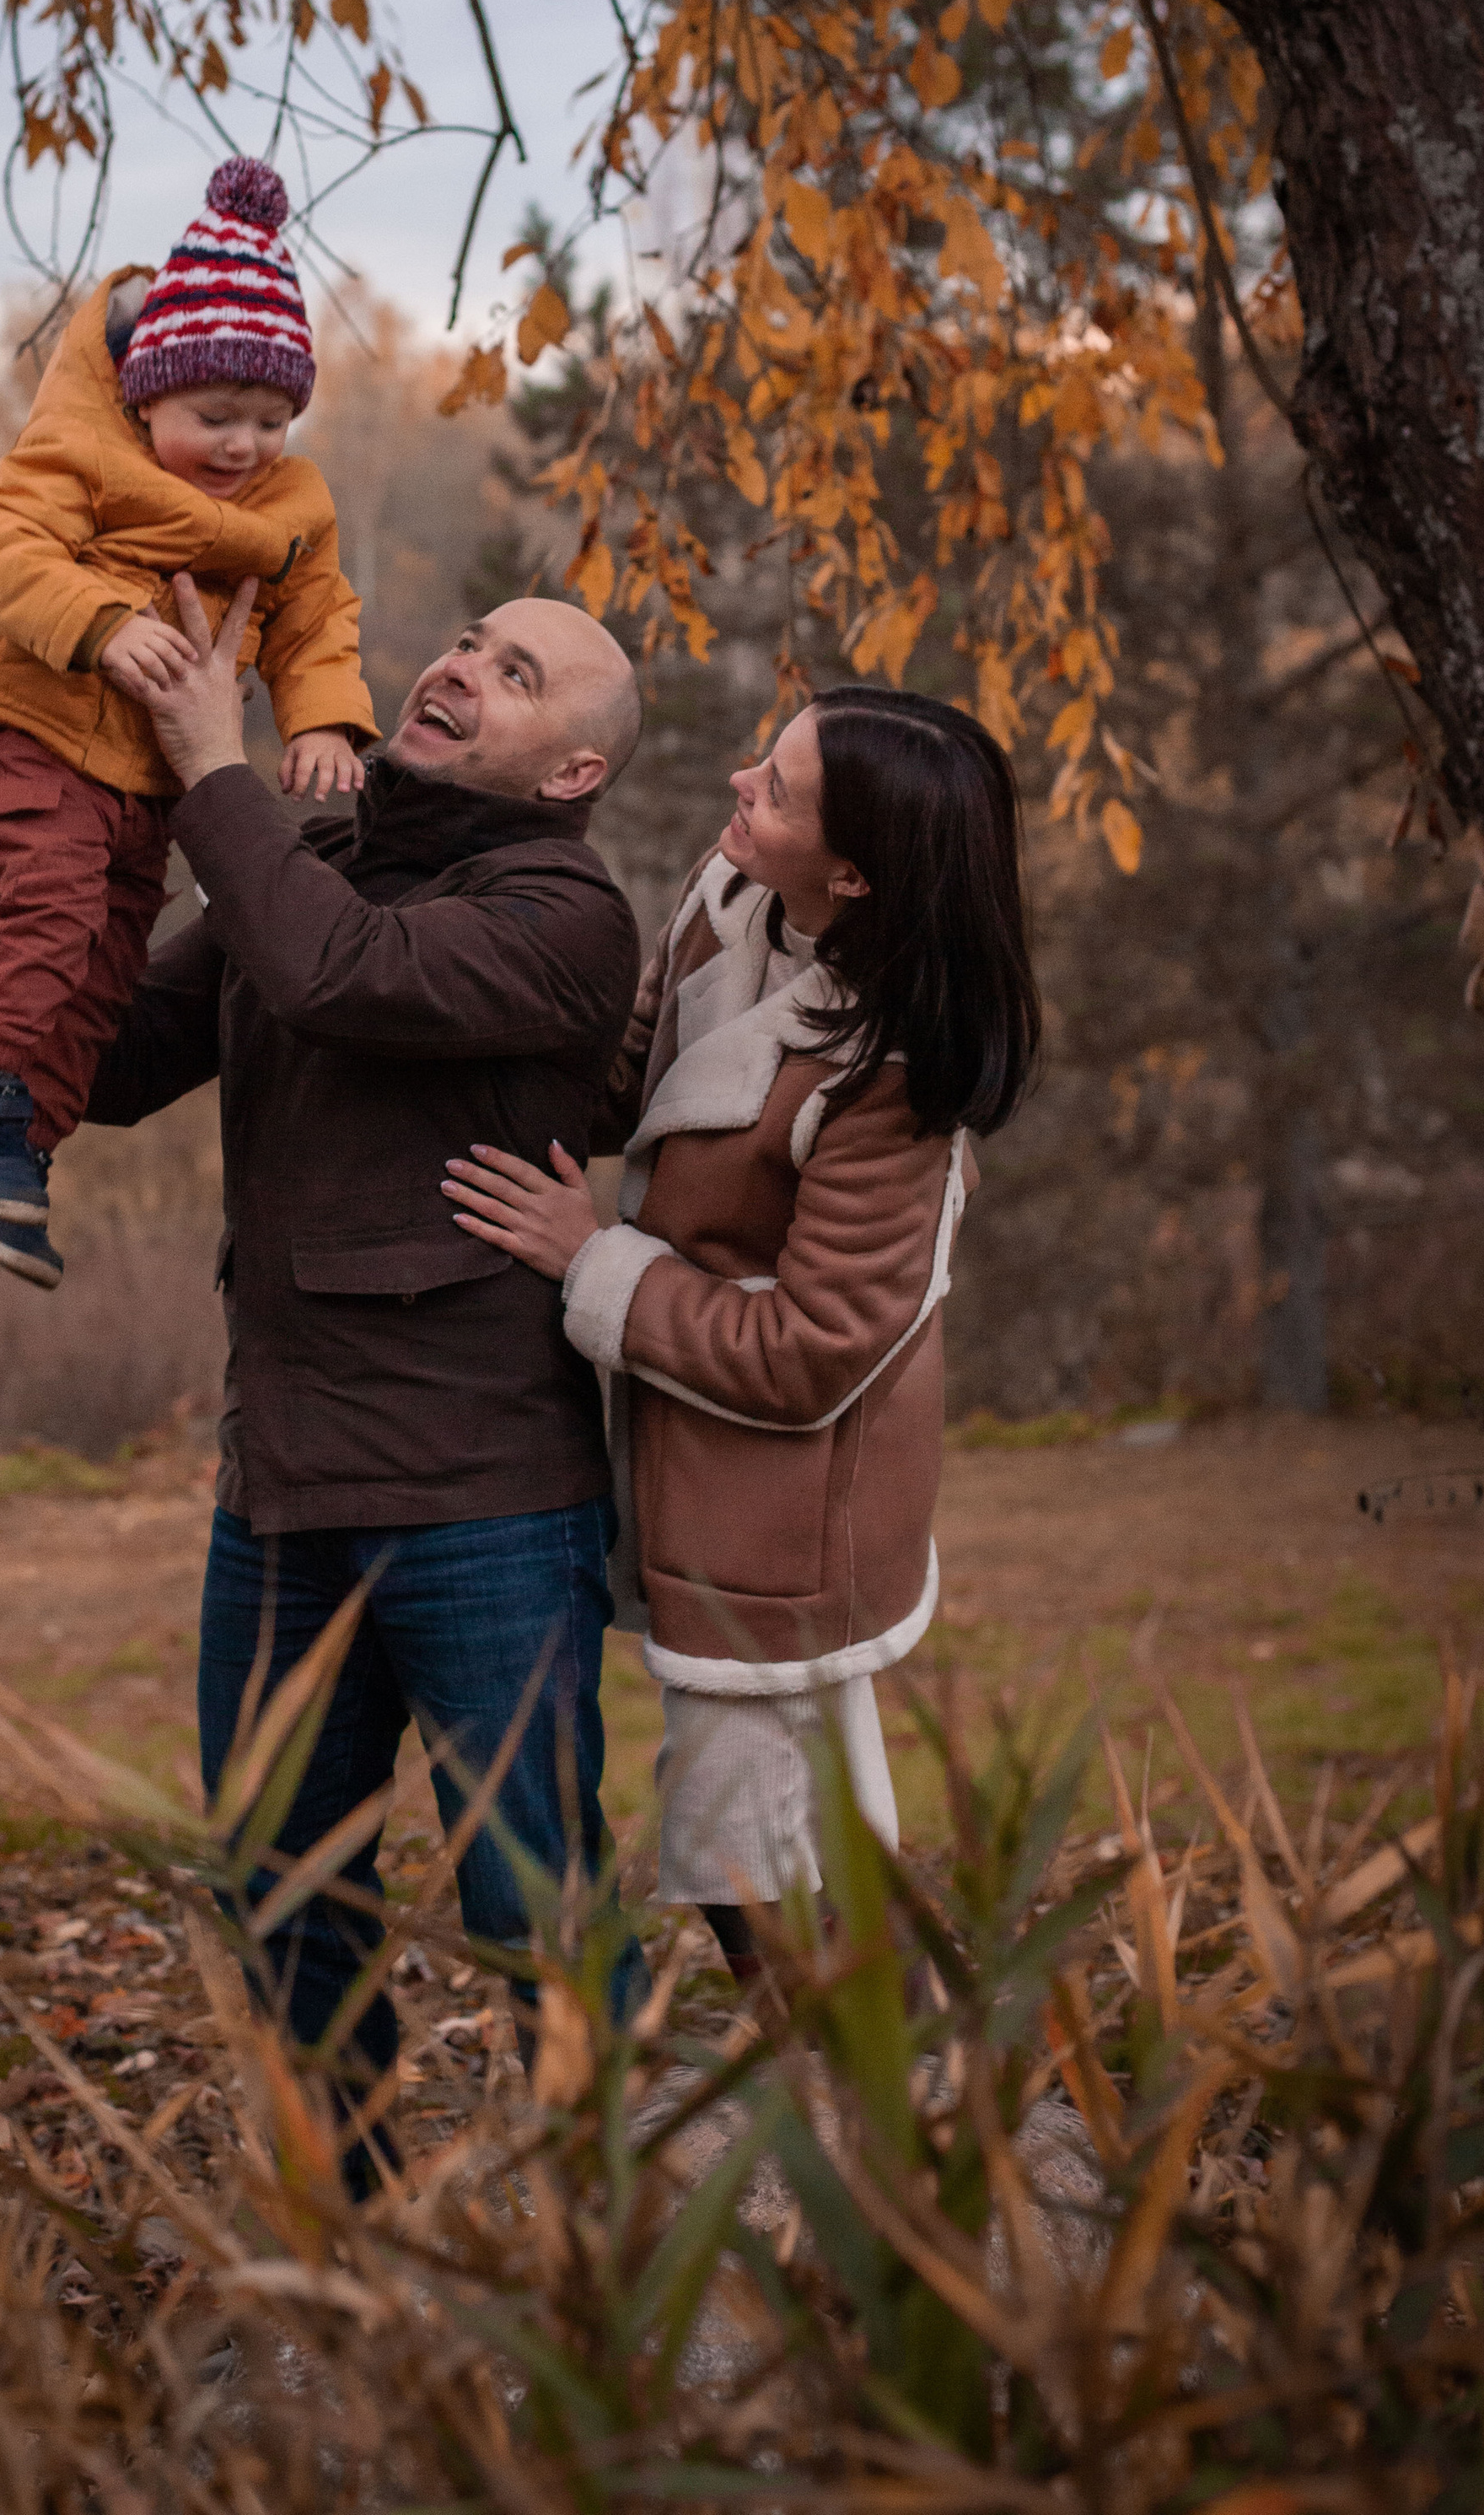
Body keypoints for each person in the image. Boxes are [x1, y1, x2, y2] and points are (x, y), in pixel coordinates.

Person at [0, 576, 648, 2155]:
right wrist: (48, 926)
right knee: (280, 1894)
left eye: (515, 675)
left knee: (536, 1901)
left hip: (487, 1506)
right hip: (284, 1495)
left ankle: (622, 2263)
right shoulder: (304, 855)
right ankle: (365, 2254)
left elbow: (346, 976)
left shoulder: (564, 918)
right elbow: (112, 1070)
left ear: (572, 770)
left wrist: (206, 765)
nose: (458, 670)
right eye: (467, 641)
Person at [442, 682, 1040, 1990]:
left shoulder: (893, 1082)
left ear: (857, 872)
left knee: (750, 1848)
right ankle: (918, 2112)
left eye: (773, 788)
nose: (736, 786)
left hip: (786, 1509)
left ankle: (884, 2134)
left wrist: (589, 1260)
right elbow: (622, 1076)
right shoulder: (733, 911)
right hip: (693, 1457)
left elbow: (816, 1348)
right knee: (797, 1828)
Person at [0, 159, 377, 1290]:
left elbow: (318, 620)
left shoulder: (291, 507)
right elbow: (1, 551)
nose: (242, 447)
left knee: (111, 959)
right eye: (214, 416)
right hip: (34, 725)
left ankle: (22, 1150)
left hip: (144, 783)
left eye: (270, 420)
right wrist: (105, 623)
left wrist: (325, 723)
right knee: (57, 907)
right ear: (144, 396)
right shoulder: (86, 457)